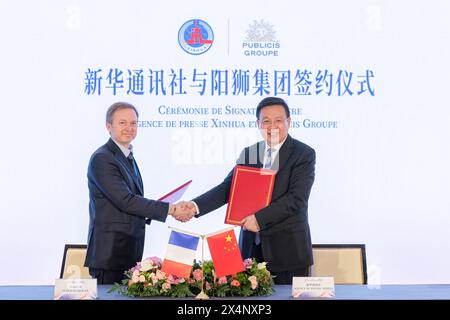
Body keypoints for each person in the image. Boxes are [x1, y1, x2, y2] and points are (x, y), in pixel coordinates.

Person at [186, 97, 316, 284]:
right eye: (266, 121)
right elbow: (227, 188)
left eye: (279, 120)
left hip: (288, 251)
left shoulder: (303, 153)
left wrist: (259, 219)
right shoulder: (251, 152)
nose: (272, 126)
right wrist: (194, 206)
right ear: (258, 124)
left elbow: (296, 199)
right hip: (250, 250)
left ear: (289, 122)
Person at [84, 102, 194, 284]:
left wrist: (167, 207)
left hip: (126, 251)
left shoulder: (126, 156)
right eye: (123, 123)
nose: (129, 128)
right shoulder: (102, 158)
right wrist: (171, 209)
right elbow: (126, 201)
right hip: (110, 255)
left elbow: (132, 201)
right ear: (108, 126)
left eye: (134, 123)